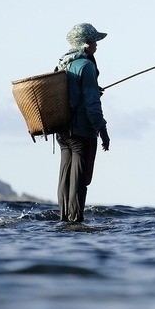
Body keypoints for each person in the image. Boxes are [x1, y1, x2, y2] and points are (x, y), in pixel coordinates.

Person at [55, 23, 111, 222]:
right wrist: (102, 130)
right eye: (95, 41)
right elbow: (92, 104)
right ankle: (75, 220)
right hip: (82, 131)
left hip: (62, 131)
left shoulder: (63, 64)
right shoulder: (86, 66)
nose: (97, 45)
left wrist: (94, 88)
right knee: (80, 179)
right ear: (86, 45)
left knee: (65, 176)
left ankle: (63, 220)